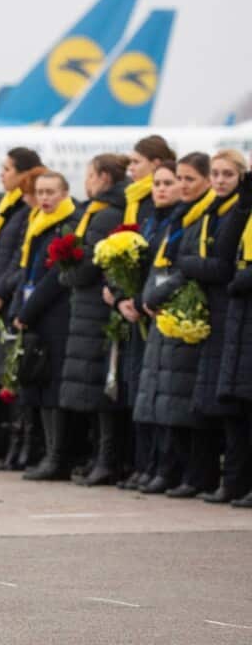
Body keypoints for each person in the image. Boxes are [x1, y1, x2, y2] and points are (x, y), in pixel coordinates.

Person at [136, 153, 221, 498]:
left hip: (186, 315)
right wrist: (143, 296)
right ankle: (165, 468)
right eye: (177, 179)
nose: (182, 187)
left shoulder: (202, 216)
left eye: (187, 179)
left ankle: (190, 473)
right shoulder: (178, 218)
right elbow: (160, 266)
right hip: (163, 313)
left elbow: (185, 268)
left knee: (183, 399)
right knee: (164, 394)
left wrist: (155, 297)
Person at [59, 154, 128, 486]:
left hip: (96, 310)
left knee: (102, 388)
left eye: (89, 175)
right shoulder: (99, 212)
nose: (86, 182)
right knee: (92, 388)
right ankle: (97, 457)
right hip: (89, 310)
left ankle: (106, 459)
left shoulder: (103, 216)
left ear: (102, 177)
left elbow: (88, 266)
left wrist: (66, 271)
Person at [182, 150, 247, 503]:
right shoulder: (213, 212)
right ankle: (231, 482)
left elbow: (222, 268)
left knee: (236, 405)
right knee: (223, 403)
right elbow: (221, 255)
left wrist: (189, 264)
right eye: (217, 173)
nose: (220, 180)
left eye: (228, 174)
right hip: (224, 316)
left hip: (233, 315)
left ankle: (234, 481)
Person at [113, 136, 177, 489]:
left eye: (137, 162)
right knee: (139, 387)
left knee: (159, 392)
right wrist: (122, 295)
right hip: (138, 307)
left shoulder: (168, 218)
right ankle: (143, 464)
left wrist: (141, 301)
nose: (131, 170)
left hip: (158, 311)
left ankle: (160, 467)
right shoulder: (140, 209)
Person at [0, 149, 42, 470]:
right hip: (0, 297)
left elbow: (21, 260)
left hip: (13, 299)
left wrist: (1, 293)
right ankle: (14, 445)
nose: (1, 175)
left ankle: (24, 448)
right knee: (6, 377)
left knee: (15, 377)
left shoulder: (25, 212)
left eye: (6, 169)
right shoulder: (11, 211)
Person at [14, 171, 77, 481]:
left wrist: (27, 310)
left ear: (65, 193)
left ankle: (57, 456)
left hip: (55, 314)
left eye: (51, 192)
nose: (45, 198)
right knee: (35, 382)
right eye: (40, 192)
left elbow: (54, 278)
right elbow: (25, 271)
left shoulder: (68, 225)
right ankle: (40, 451)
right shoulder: (37, 223)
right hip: (34, 313)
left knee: (52, 386)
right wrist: (18, 309)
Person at [217, 171, 252, 507]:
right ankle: (236, 481)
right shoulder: (245, 207)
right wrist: (243, 205)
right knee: (237, 405)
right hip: (241, 317)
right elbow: (224, 251)